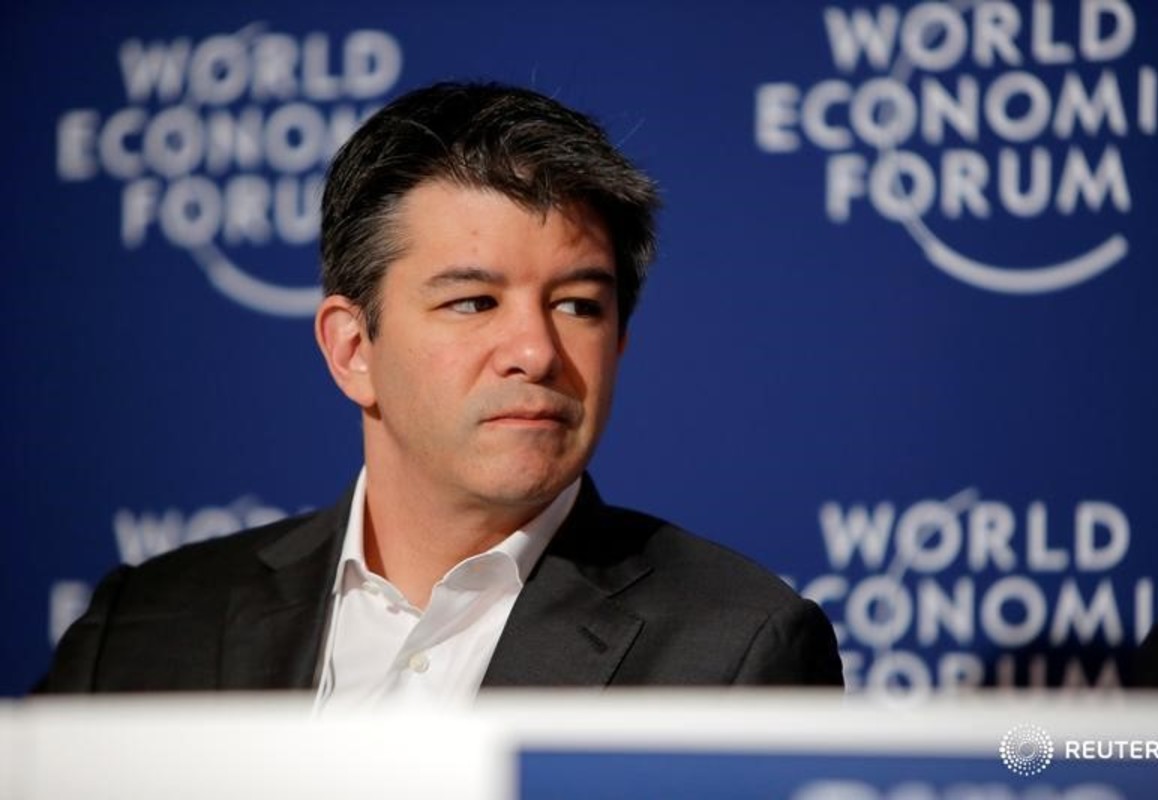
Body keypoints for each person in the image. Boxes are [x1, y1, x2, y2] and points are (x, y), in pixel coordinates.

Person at [38, 82, 843, 703]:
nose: (536, 351)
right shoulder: (145, 627)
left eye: (578, 306)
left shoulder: (736, 650)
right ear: (352, 348)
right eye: (473, 302)